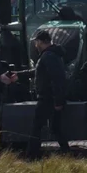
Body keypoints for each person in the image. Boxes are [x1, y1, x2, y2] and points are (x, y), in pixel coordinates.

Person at [26, 29, 69, 159]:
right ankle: (67, 152)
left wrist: (58, 101)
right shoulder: (51, 55)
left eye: (36, 42)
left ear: (40, 42)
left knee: (36, 127)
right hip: (51, 98)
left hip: (47, 98)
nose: (35, 45)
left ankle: (32, 156)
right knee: (56, 128)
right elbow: (40, 72)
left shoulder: (48, 56)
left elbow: (56, 79)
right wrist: (20, 75)